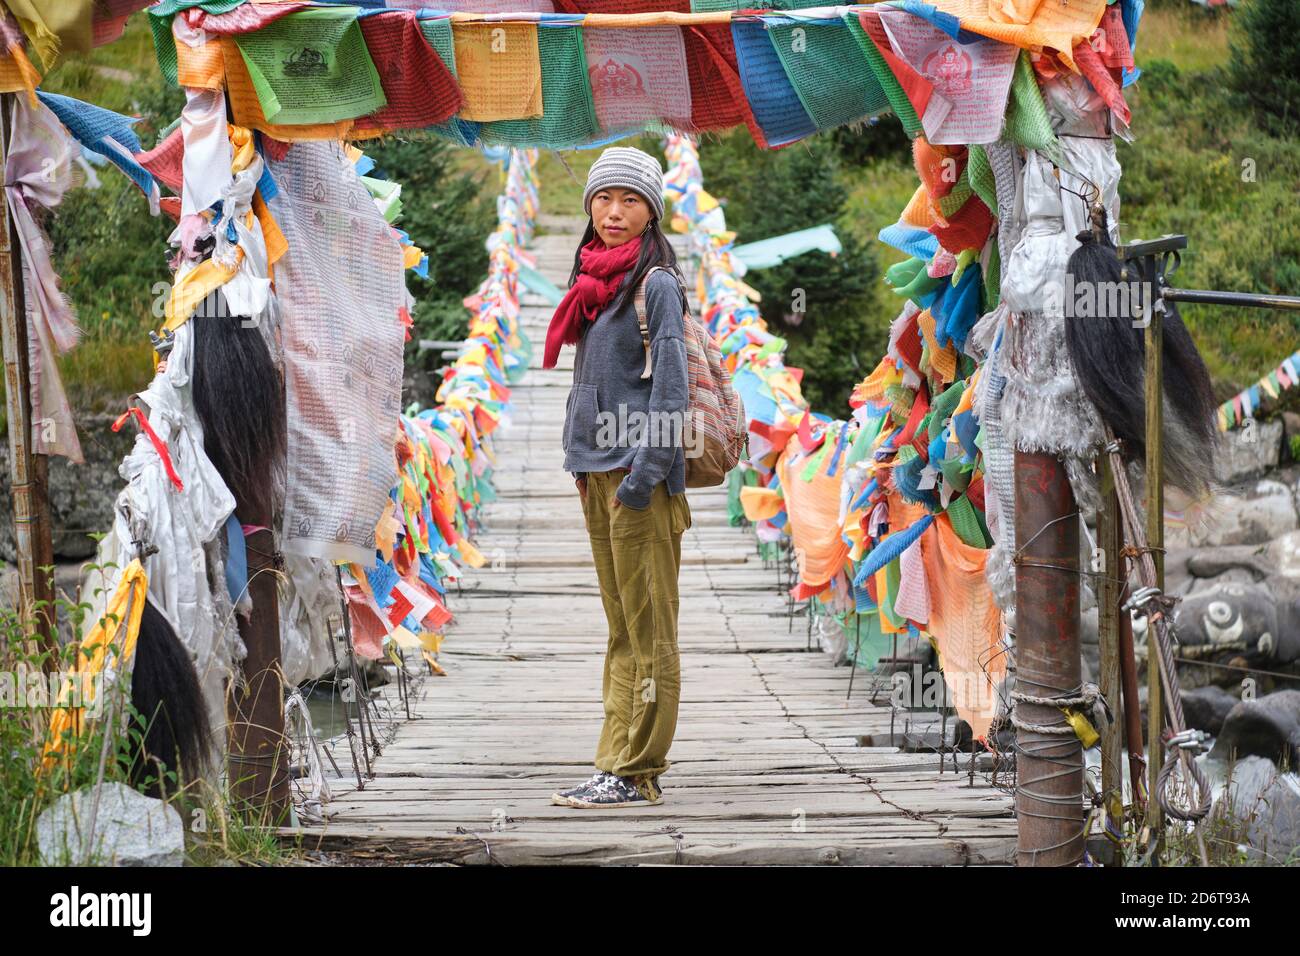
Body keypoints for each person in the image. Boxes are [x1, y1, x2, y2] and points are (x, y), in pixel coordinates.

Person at [541, 146, 692, 808]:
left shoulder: (655, 283)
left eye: (630, 200)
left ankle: (637, 767)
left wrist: (642, 476)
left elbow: (674, 392)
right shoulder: (593, 283)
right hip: (598, 474)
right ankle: (613, 760)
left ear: (651, 211)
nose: (614, 211)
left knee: (649, 629)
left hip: (638, 479)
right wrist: (585, 466)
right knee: (623, 628)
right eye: (604, 198)